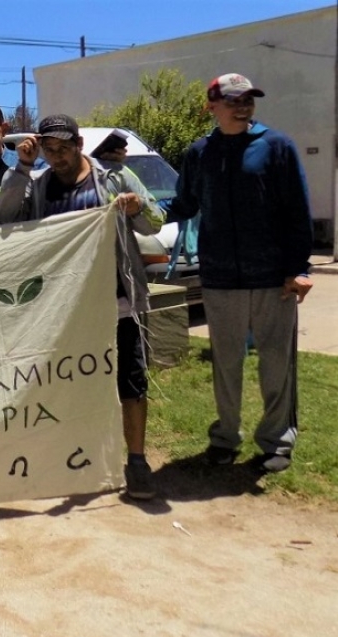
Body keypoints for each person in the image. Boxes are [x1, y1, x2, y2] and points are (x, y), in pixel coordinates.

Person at [0, 114, 165, 500]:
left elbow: (156, 222)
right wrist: (21, 166)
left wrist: (135, 208)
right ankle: (66, 458)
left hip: (117, 301)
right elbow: (1, 214)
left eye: (64, 148)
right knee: (65, 382)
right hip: (61, 308)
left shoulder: (115, 178)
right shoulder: (37, 185)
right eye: (49, 150)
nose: (57, 157)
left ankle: (136, 461)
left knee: (131, 381)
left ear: (80, 145)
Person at [163, 73, 314, 473]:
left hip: (273, 278)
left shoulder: (276, 146)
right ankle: (226, 438)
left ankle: (277, 442)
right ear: (211, 106)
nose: (242, 105)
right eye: (233, 100)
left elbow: (297, 211)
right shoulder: (199, 152)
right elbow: (184, 203)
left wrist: (299, 268)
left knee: (276, 364)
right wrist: (141, 212)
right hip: (219, 278)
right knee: (225, 364)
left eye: (248, 99)